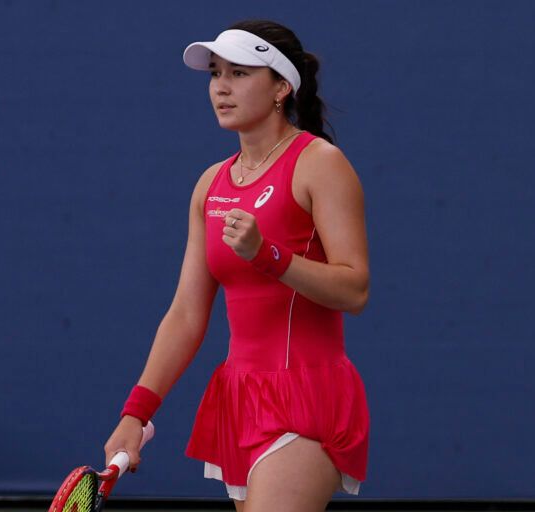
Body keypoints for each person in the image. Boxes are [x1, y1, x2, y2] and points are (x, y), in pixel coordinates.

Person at [103, 19, 370, 512]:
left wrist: (268, 256)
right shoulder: (211, 184)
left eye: (240, 73)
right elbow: (186, 313)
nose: (221, 87)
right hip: (238, 401)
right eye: (215, 73)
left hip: (307, 398)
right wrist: (136, 413)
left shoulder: (320, 163)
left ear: (280, 87)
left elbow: (355, 290)